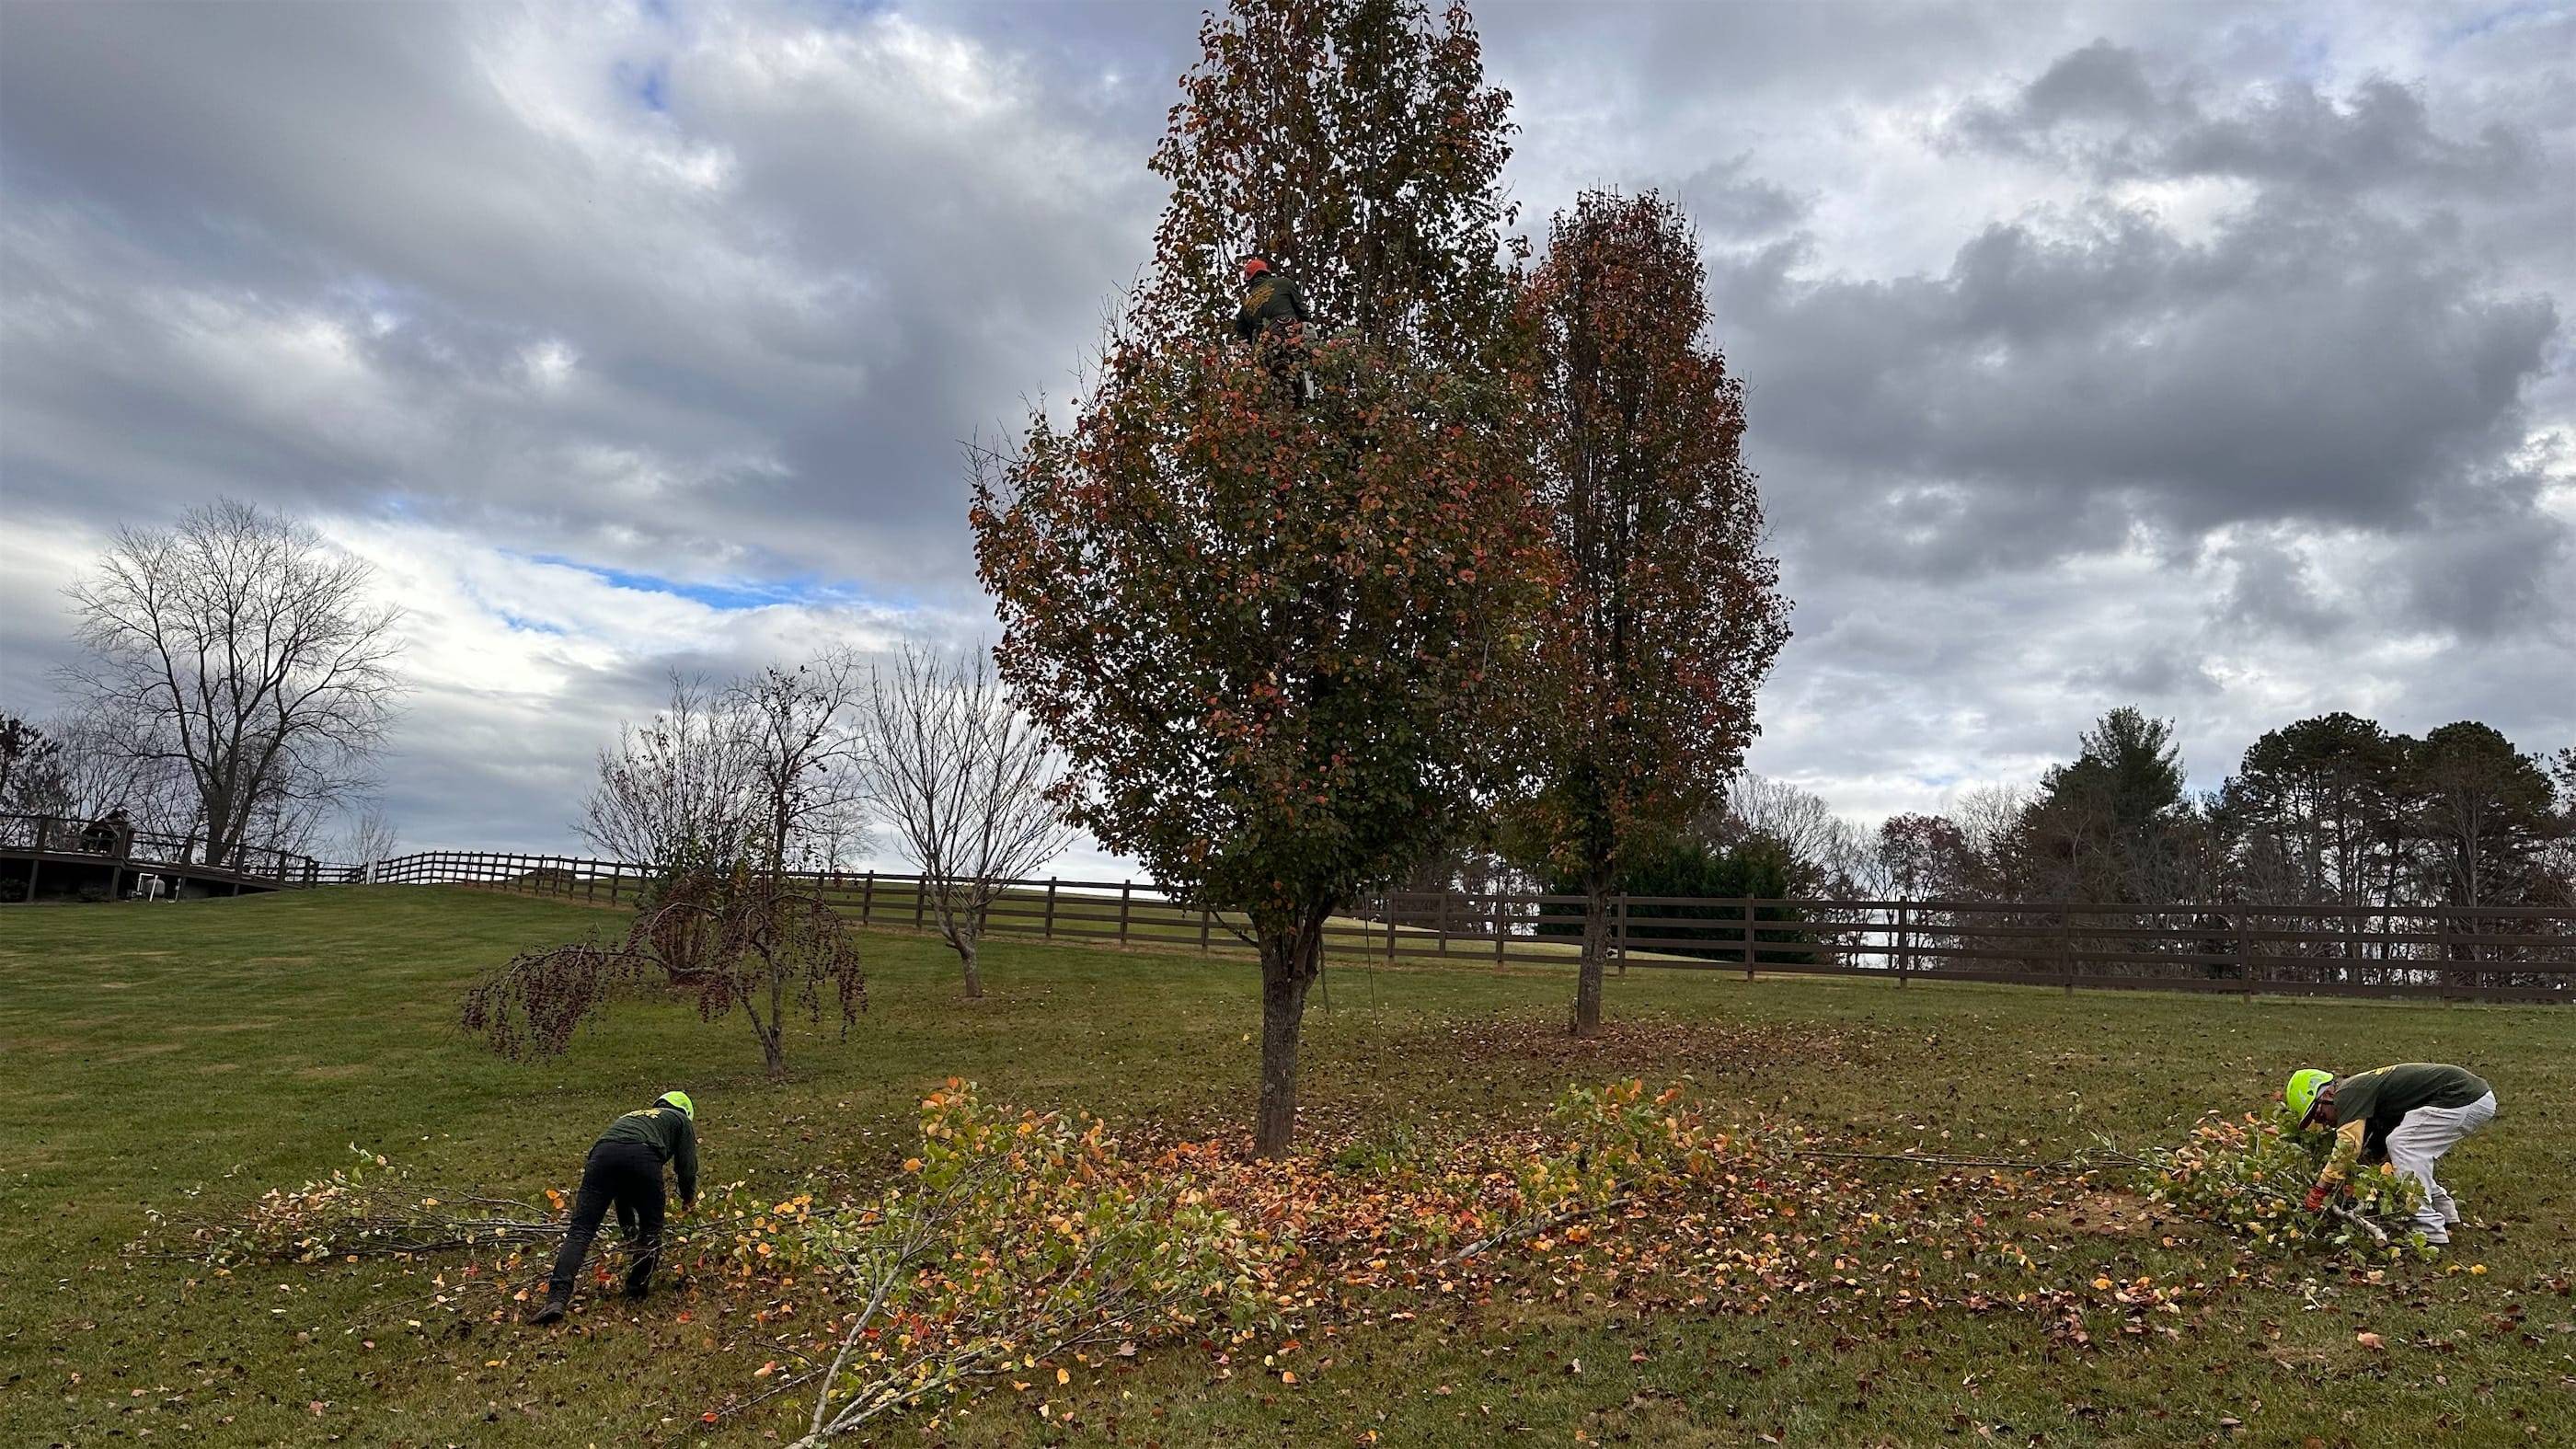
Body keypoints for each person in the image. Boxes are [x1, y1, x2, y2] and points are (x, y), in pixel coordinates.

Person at [527, 1090, 698, 1324]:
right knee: (651, 1228)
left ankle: (556, 1298)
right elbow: (687, 1167)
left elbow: (623, 1195)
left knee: (581, 1231)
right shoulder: (680, 1121)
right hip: (644, 1155)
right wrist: (688, 1199)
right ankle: (635, 1289)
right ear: (687, 1112)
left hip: (602, 1155)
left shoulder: (631, 1117)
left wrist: (628, 1233)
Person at [2286, 1064, 2496, 1246]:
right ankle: (2446, 1212)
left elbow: (2348, 1146)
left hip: (2461, 1096)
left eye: (2320, 1115)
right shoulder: (2364, 1095)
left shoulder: (2347, 1093)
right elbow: (2375, 1152)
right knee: (2406, 1154)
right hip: (2467, 1097)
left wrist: (2320, 1189)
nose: (2325, 1123)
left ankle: (2429, 1230)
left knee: (2403, 1145)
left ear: (2328, 1095)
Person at [1234, 252, 1314, 406]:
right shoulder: (1283, 283)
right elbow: (1302, 310)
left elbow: (1241, 332)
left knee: (1277, 381)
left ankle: (1284, 404)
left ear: (1250, 281)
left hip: (1265, 345)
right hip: (1288, 330)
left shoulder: (1247, 304)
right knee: (1299, 366)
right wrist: (1306, 326)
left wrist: (1254, 343)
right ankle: (1303, 397)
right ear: (1266, 273)